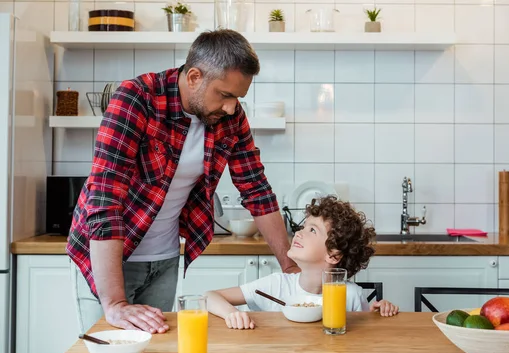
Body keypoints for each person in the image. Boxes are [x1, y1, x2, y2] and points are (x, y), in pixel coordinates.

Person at [66, 29, 298, 335]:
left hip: (164, 259)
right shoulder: (136, 99)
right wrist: (116, 303)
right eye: (225, 94)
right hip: (109, 261)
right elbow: (105, 198)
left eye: (238, 98)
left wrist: (291, 268)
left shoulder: (230, 117)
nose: (231, 107)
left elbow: (255, 188)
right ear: (193, 77)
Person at [206, 196, 399, 329]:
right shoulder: (276, 285)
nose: (299, 232)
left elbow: (363, 335)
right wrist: (232, 314)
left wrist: (379, 313)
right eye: (303, 227)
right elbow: (210, 297)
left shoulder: (350, 295)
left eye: (312, 230)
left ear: (333, 255)